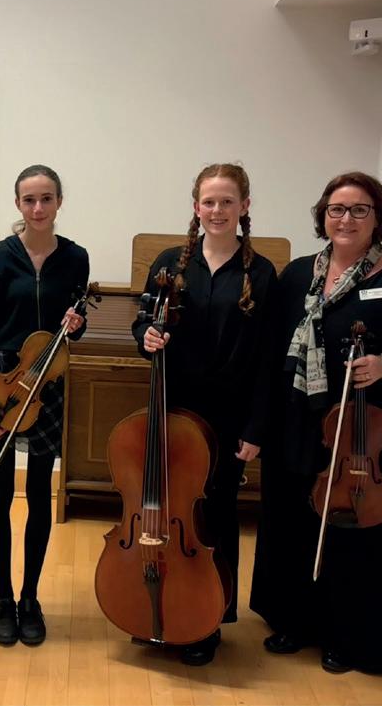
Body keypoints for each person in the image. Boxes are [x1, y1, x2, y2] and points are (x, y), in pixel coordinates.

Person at [250, 171, 382, 674]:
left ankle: (354, 637)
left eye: (359, 210)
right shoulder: (297, 274)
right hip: (304, 423)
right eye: (337, 209)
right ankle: (296, 620)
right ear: (323, 216)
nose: (346, 219)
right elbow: (270, 346)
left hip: (370, 436)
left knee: (359, 534)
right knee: (297, 522)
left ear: (378, 218)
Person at [130, 162, 277, 666]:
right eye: (209, 202)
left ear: (244, 206)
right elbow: (142, 322)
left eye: (227, 201)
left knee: (216, 516)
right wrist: (147, 337)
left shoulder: (260, 273)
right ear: (196, 207)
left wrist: (256, 426)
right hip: (173, 408)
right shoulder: (170, 263)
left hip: (230, 416)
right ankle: (157, 604)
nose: (217, 210)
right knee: (164, 508)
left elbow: (267, 359)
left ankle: (208, 618)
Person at [0, 164, 89, 647]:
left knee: (40, 491)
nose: (38, 208)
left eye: (46, 199)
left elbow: (75, 322)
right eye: (29, 200)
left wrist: (77, 324)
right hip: (4, 382)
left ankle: (30, 598)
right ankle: (2, 597)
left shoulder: (75, 257)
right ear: (18, 204)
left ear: (59, 202)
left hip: (49, 382)